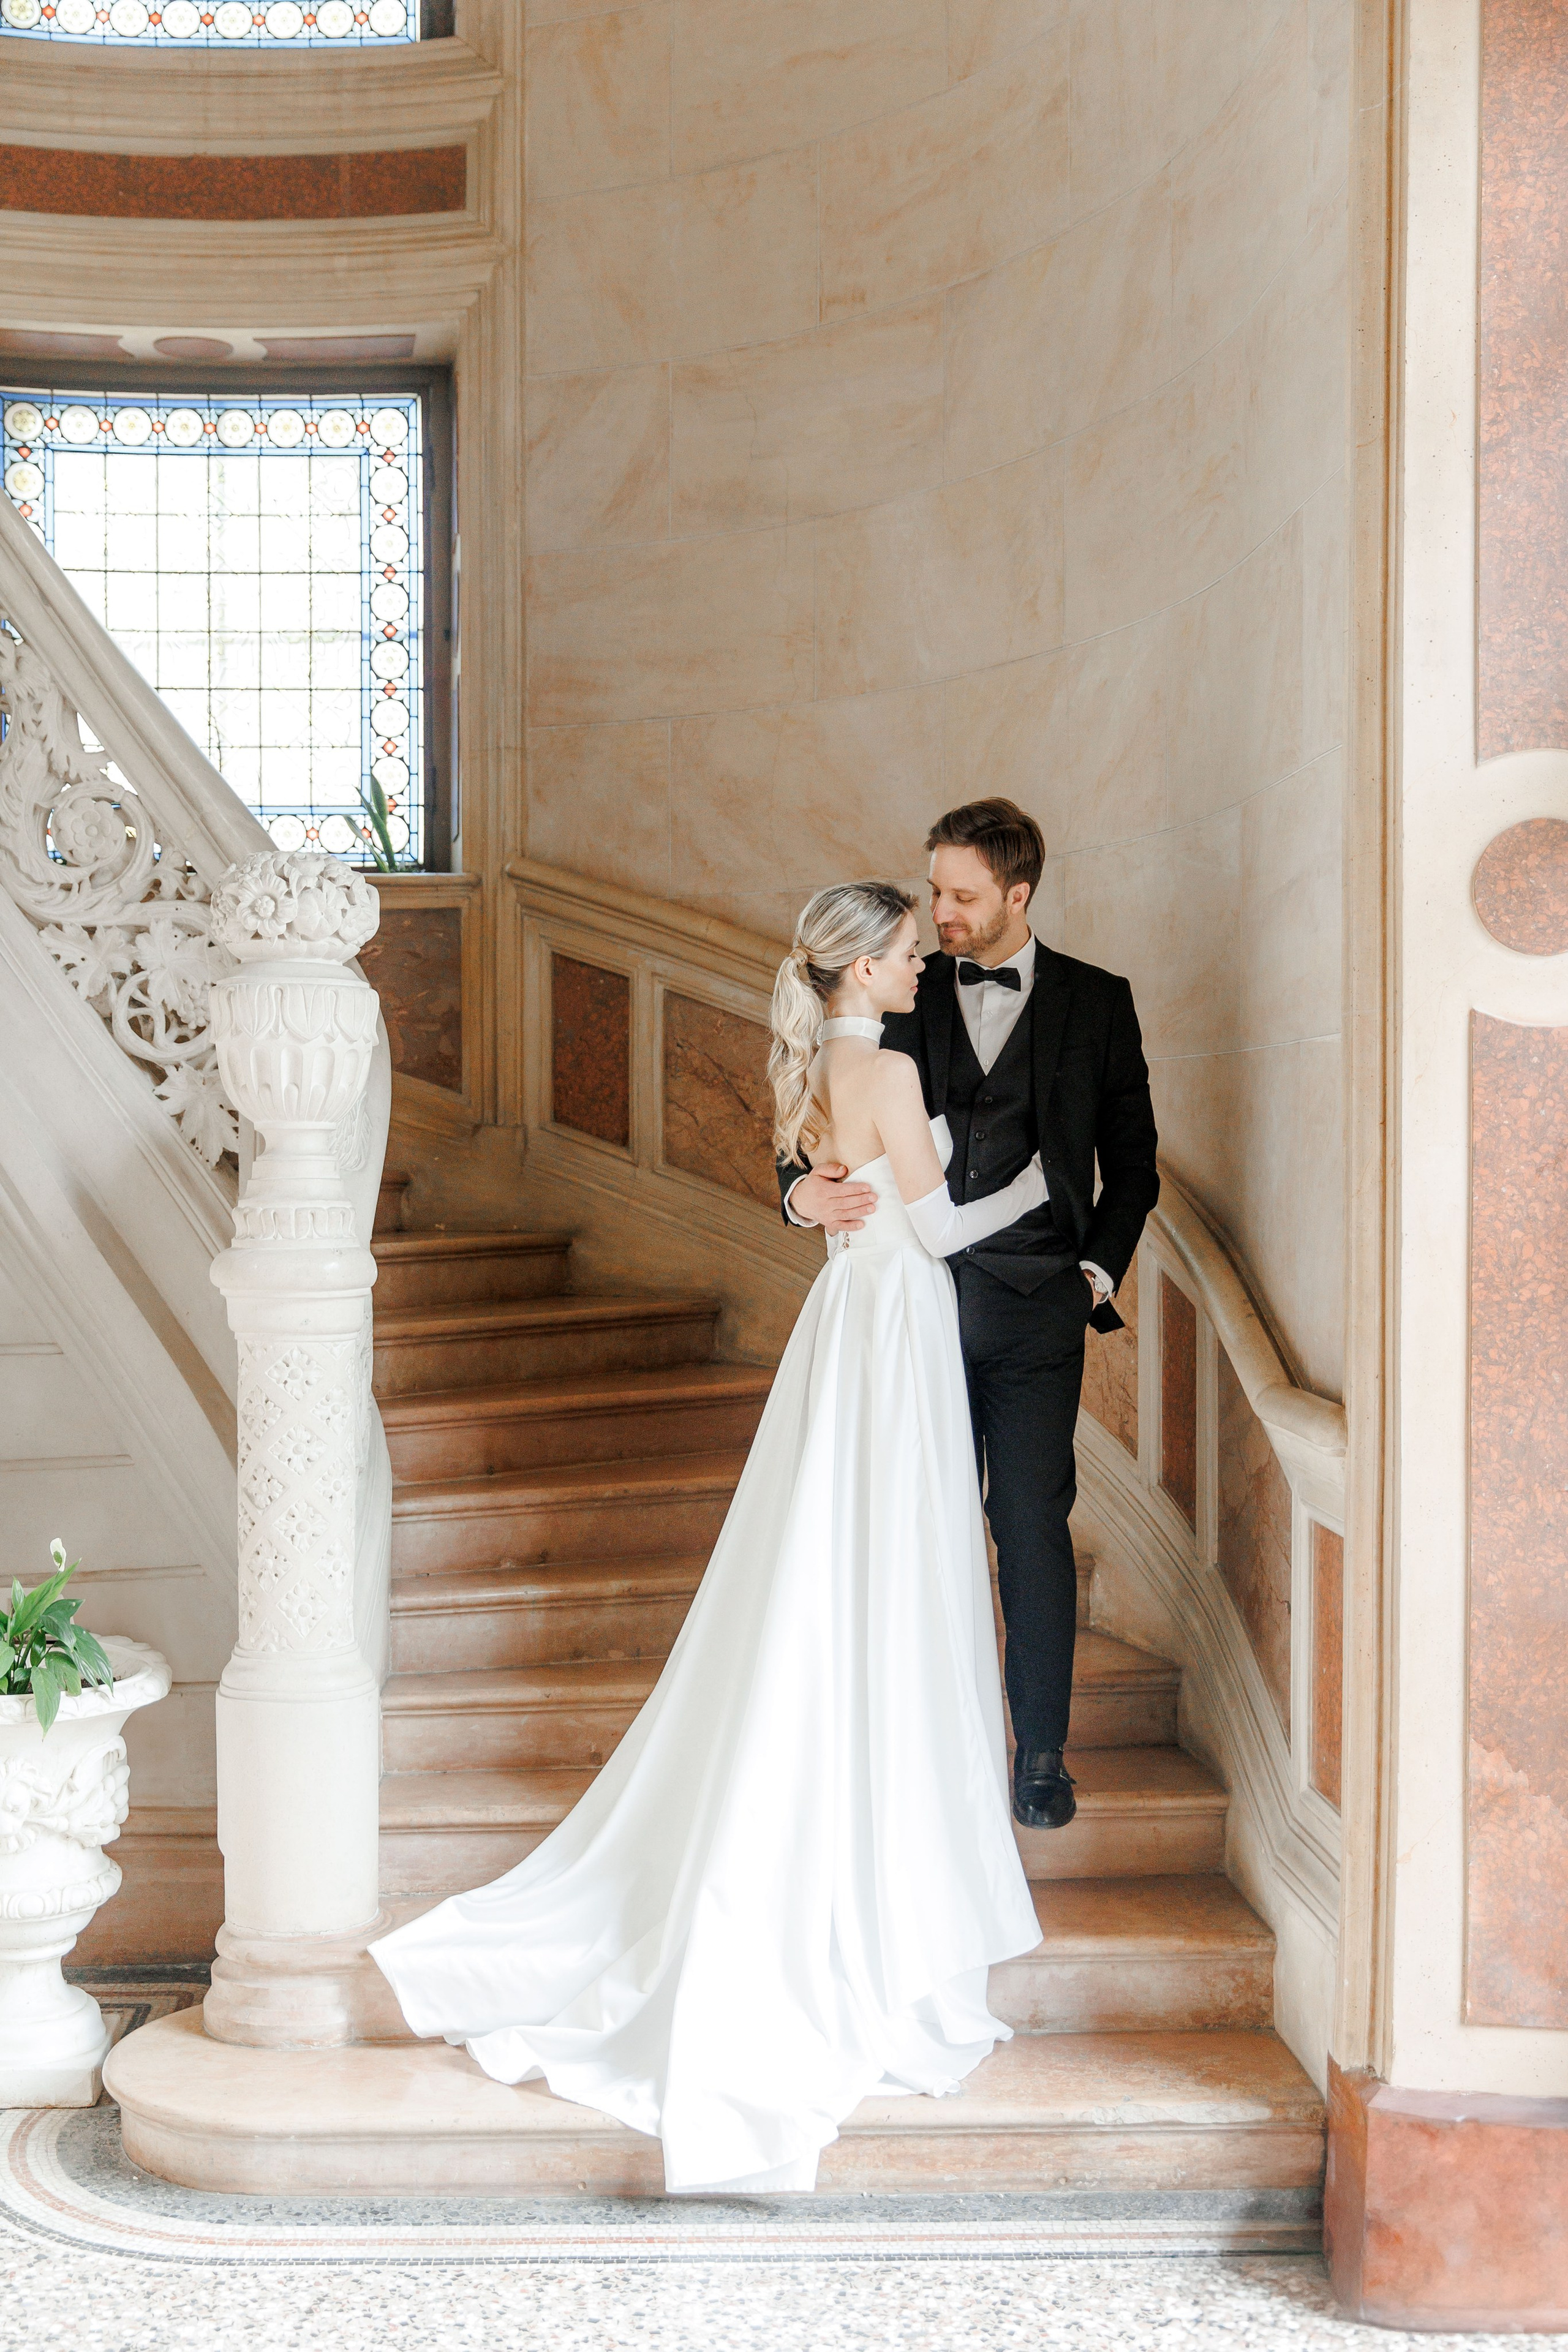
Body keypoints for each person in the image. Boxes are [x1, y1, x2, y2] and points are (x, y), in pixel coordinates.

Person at [369, 880, 1047, 2196]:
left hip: (857, 1330)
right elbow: (936, 1224)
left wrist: (813, 1202)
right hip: (891, 1328)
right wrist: (1031, 1180)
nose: (921, 966)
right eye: (908, 952)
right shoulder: (889, 1071)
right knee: (881, 1577)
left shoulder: (834, 1063)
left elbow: (816, 1183)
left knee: (844, 1567)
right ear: (857, 968)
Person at [779, 801, 1159, 1833]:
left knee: (1027, 1523)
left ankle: (1039, 1753)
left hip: (1038, 1313)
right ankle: (904, 1748)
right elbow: (820, 1118)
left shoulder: (1098, 1002)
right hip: (917, 1308)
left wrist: (1096, 1270)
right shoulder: (892, 987)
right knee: (912, 1525)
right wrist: (798, 1193)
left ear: (1017, 896)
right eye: (934, 892)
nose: (940, 913)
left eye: (961, 896)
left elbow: (1133, 1164)